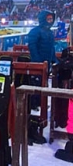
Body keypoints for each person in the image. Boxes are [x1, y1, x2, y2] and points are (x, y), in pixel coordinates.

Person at [27, 10, 57, 144]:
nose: (50, 21)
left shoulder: (50, 33)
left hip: (47, 63)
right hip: (38, 63)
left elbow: (51, 48)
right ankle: (34, 103)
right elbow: (32, 47)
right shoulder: (35, 32)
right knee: (36, 84)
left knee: (44, 84)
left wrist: (53, 59)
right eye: (48, 19)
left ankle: (40, 101)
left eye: (51, 19)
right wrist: (37, 61)